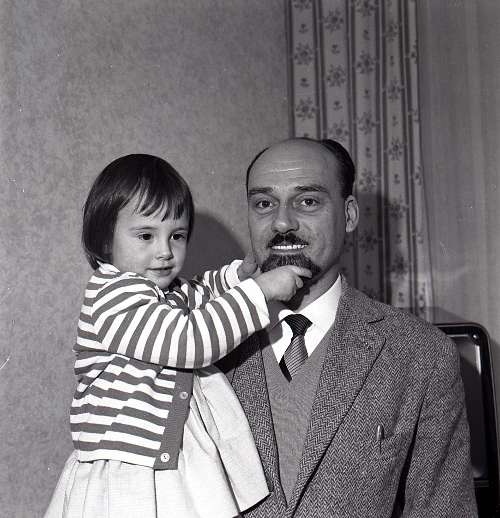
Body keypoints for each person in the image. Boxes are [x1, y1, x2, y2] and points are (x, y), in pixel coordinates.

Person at [219, 137, 478, 517]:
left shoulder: (422, 355)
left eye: (307, 201)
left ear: (350, 215)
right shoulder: (201, 343)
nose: (282, 222)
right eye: (264, 203)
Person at [44, 154, 311, 518]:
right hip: (124, 473)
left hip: (164, 466)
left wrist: (240, 275)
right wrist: (260, 290)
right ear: (105, 239)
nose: (165, 251)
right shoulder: (112, 294)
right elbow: (189, 341)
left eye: (177, 236)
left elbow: (204, 291)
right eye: (146, 236)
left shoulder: (169, 293)